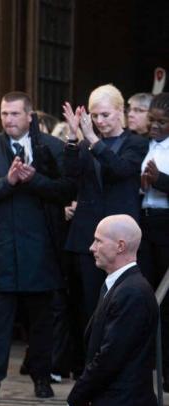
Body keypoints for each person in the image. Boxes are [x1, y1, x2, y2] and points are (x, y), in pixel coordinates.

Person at [0, 91, 74, 401]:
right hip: (2, 249)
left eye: (14, 114)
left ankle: (41, 378)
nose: (8, 119)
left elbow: (67, 190)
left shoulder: (51, 148)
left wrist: (34, 180)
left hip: (41, 249)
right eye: (3, 114)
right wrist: (8, 182)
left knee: (41, 320)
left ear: (29, 116)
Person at [67, 215, 162, 406]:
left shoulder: (132, 292)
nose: (91, 247)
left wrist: (76, 399)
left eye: (98, 241)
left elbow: (110, 356)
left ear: (120, 246)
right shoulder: (118, 286)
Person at [62, 84, 149, 326]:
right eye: (95, 115)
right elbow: (70, 175)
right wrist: (72, 136)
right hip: (87, 234)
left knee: (120, 302)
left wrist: (91, 139)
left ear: (120, 111)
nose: (99, 121)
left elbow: (121, 170)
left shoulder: (136, 143)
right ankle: (87, 360)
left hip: (120, 235)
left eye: (105, 114)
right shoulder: (85, 144)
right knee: (87, 303)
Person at [138, 92, 169, 389]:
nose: (155, 126)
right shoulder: (143, 144)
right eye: (152, 121)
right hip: (144, 223)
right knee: (146, 297)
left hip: (166, 226)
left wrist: (160, 180)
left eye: (162, 122)